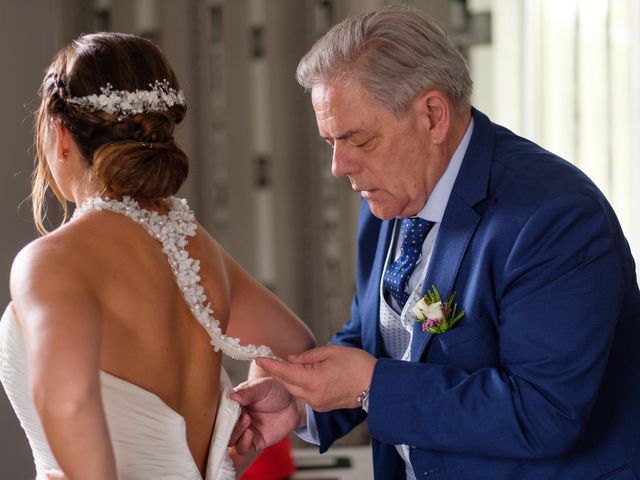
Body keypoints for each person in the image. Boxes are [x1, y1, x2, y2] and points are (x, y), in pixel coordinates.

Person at [230, 5, 640, 479]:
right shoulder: (390, 194)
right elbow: (383, 341)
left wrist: (370, 387)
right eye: (330, 143)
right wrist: (301, 404)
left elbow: (544, 413)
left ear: (432, 115)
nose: (339, 167)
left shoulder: (554, 217)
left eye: (359, 141)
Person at [0, 32, 314, 480]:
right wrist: (237, 439)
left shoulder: (52, 261)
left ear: (60, 132)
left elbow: (68, 401)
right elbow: (295, 347)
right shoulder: (196, 244)